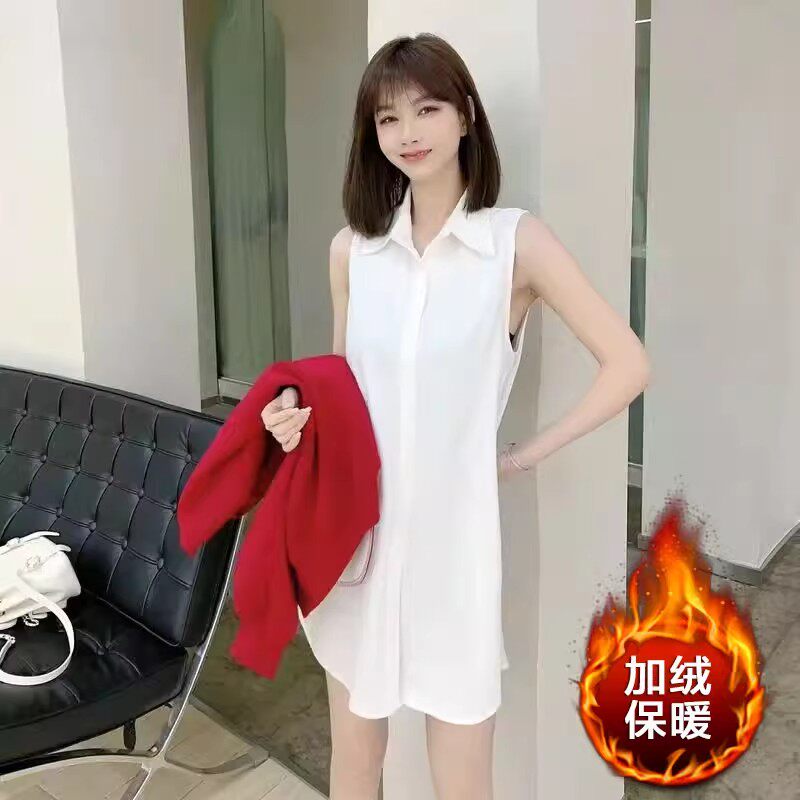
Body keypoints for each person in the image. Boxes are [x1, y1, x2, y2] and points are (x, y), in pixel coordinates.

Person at [260, 32, 650, 800]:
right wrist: (292, 413)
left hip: (454, 549)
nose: (407, 132)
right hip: (356, 538)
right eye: (387, 118)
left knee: (463, 777)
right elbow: (339, 391)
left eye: (427, 109)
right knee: (355, 761)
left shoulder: (514, 245)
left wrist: (520, 457)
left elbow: (629, 364)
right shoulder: (353, 252)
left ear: (465, 114)